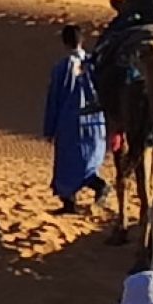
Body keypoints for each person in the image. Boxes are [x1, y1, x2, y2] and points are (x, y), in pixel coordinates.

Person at [41, 22, 108, 211]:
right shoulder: (93, 64)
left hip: (70, 122)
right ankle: (91, 191)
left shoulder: (62, 67)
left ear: (64, 42)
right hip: (95, 121)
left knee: (67, 164)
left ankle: (74, 200)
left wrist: (49, 128)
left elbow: (54, 98)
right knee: (88, 161)